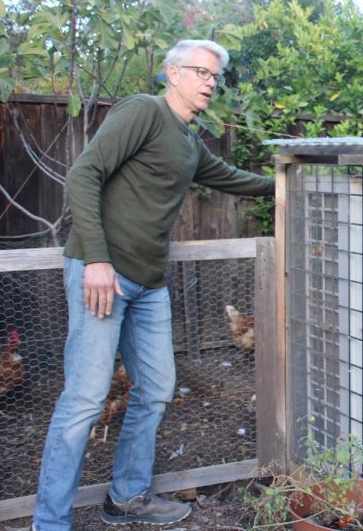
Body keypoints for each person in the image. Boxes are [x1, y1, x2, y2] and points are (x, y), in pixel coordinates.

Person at [32, 39, 275, 530]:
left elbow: (228, 176)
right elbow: (83, 176)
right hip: (103, 274)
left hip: (148, 285)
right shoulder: (142, 112)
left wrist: (289, 179)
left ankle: (126, 497)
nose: (210, 82)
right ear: (173, 73)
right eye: (202, 72)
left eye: (215, 76)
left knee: (158, 388)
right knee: (85, 398)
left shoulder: (188, 140)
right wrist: (97, 259)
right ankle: (49, 522)